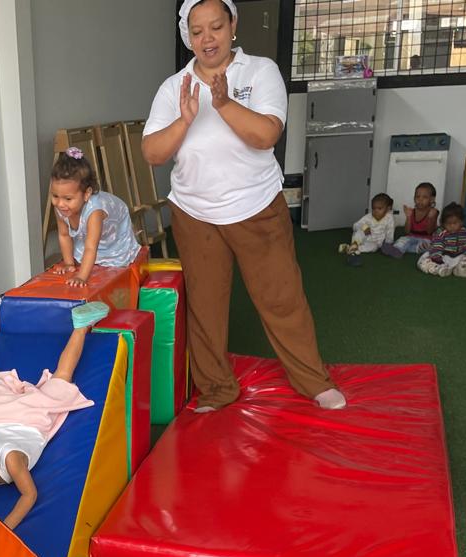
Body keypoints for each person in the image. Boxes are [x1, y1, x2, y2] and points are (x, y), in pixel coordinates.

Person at [142, 0, 346, 412]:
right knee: (205, 306)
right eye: (197, 31)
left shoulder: (260, 71)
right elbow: (152, 152)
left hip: (256, 206)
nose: (207, 38)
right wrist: (184, 120)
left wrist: (224, 104)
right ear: (188, 37)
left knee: (281, 297)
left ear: (232, 25)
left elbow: (267, 134)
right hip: (194, 212)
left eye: (216, 27)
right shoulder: (174, 86)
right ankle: (217, 388)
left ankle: (313, 381)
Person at [0, 308, 98, 529]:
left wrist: (4, 529)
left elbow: (29, 495)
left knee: (62, 377)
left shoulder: (11, 460)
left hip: (30, 418)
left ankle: (80, 328)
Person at [49, 148, 142, 288]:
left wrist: (81, 277)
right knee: (83, 251)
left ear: (87, 194)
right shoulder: (60, 208)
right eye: (55, 196)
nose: (60, 204)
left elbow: (91, 247)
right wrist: (69, 264)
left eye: (68, 198)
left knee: (108, 256)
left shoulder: (95, 212)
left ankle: (129, 241)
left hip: (114, 230)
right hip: (90, 235)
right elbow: (64, 235)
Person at [417, 202, 466, 278]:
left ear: (461, 222)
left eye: (455, 223)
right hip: (442, 257)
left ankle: (461, 270)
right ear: (443, 223)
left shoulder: (464, 232)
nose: (452, 226)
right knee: (423, 261)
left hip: (458, 257)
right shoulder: (441, 233)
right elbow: (437, 248)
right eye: (448, 223)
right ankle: (439, 269)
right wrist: (438, 260)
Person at [384, 182, 438, 258]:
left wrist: (430, 218)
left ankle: (406, 248)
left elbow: (430, 231)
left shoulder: (433, 212)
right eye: (417, 197)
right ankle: (397, 250)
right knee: (402, 239)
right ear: (414, 198)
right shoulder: (412, 212)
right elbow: (407, 231)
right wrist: (408, 217)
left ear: (432, 199)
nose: (420, 200)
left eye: (425, 197)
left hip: (426, 239)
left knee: (428, 246)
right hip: (412, 237)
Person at [340, 193, 395, 265]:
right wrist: (364, 227)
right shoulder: (368, 217)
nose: (376, 211)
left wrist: (388, 244)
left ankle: (350, 248)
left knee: (374, 248)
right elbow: (355, 226)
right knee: (359, 232)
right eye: (374, 208)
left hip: (375, 242)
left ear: (388, 209)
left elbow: (390, 231)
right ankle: (354, 246)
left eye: (379, 208)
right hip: (363, 237)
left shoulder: (389, 218)